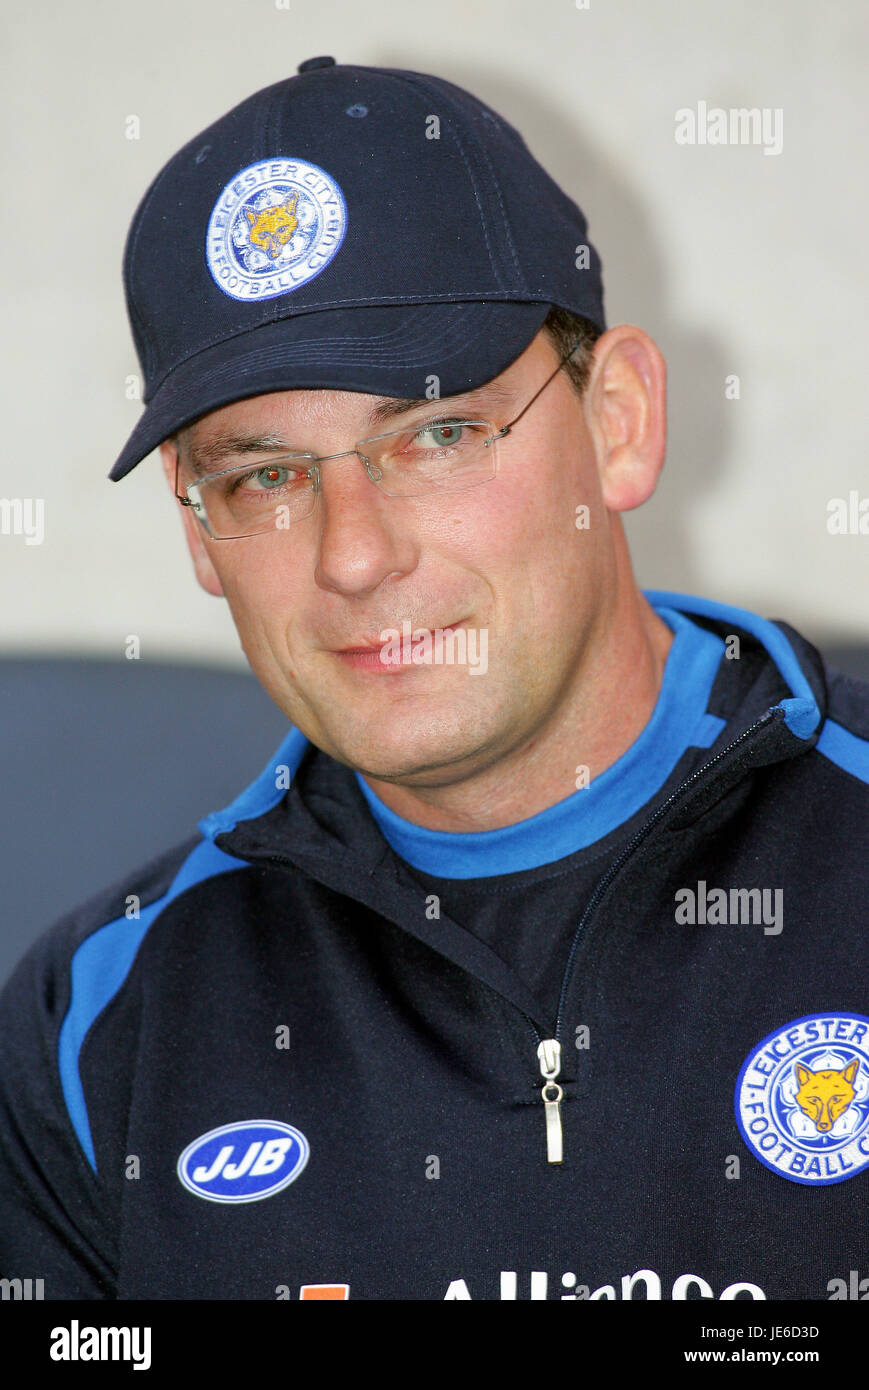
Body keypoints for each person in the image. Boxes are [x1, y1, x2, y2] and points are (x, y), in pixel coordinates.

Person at [1, 56, 867, 1304]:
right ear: (200, 535)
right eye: (264, 477)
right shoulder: (95, 1029)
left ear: (616, 419)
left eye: (436, 435)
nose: (354, 556)